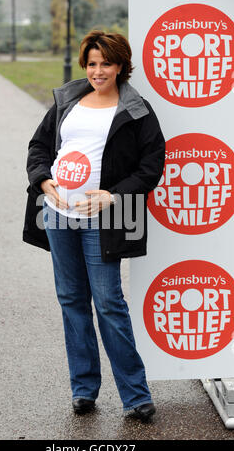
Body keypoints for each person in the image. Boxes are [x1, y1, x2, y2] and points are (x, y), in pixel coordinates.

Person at [23, 30, 165, 422]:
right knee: (71, 300)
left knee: (108, 304)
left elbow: (151, 167)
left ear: (120, 65)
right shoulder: (67, 100)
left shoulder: (137, 110)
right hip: (56, 214)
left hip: (106, 219)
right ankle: (83, 390)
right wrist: (45, 181)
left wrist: (112, 195)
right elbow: (38, 148)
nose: (97, 71)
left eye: (106, 63)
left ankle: (136, 396)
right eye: (91, 63)